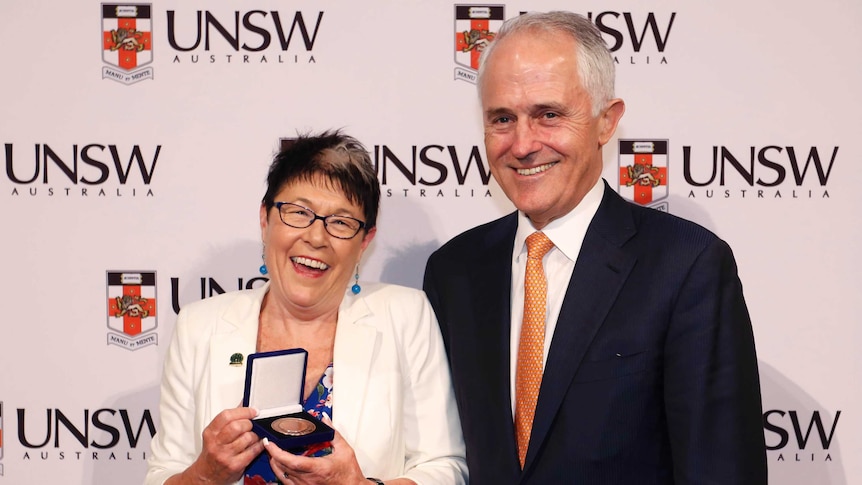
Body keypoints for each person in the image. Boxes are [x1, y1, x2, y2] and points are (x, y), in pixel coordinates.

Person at [423, 11, 767, 484]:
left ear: (606, 122)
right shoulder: (454, 272)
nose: (523, 144)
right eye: (503, 118)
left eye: (548, 115)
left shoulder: (687, 266)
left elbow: (722, 471)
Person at [146, 130, 467, 485]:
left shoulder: (406, 316)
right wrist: (205, 475)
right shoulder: (199, 326)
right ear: (265, 220)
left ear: (364, 242)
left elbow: (445, 468)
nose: (316, 238)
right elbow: (162, 474)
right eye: (299, 213)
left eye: (341, 222)